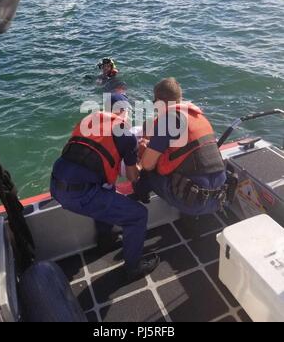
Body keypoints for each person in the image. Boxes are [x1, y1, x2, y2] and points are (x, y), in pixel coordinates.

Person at [50, 93, 159, 281]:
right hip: (81, 194)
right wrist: (141, 157)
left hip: (56, 185)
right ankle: (133, 268)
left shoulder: (89, 121)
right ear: (125, 111)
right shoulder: (124, 132)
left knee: (107, 191)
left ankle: (104, 242)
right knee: (138, 215)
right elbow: (133, 176)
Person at [132, 78, 227, 216]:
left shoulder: (168, 120)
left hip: (193, 202)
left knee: (144, 172)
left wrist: (143, 150)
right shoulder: (199, 117)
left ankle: (140, 203)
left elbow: (147, 164)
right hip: (218, 196)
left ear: (158, 101)